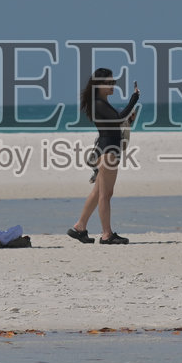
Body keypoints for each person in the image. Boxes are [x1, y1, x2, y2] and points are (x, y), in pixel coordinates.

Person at [67, 68, 140, 244]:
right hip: (108, 151)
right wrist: (133, 100)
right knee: (106, 194)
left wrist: (128, 120)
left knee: (98, 191)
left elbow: (115, 122)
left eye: (113, 82)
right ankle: (107, 234)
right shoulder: (98, 103)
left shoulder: (101, 103)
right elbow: (117, 118)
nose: (112, 85)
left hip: (108, 148)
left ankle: (79, 227)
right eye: (108, 83)